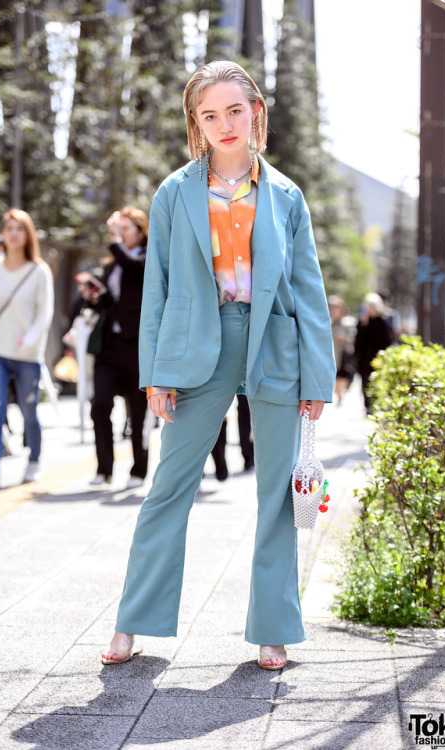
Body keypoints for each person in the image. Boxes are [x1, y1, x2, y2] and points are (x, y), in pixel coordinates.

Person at [102, 61, 336, 670]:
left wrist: (318, 376)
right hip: (193, 350)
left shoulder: (285, 194)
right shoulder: (173, 192)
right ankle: (133, 620)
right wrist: (155, 372)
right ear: (197, 125)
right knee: (168, 488)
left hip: (274, 345)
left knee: (278, 497)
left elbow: (307, 289)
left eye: (235, 110)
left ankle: (273, 628)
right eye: (210, 115)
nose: (225, 124)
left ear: (256, 111)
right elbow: (156, 286)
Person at [0, 209, 54, 488]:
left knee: (29, 411)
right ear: (2, 233)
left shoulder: (39, 271)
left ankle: (34, 460)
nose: (13, 234)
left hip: (27, 355)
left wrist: (31, 341)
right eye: (9, 228)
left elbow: (44, 313)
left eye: (19, 228)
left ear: (28, 234)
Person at [89, 207, 149, 489]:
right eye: (118, 228)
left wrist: (113, 238)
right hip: (109, 347)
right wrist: (94, 297)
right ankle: (104, 468)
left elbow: (131, 265)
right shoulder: (112, 264)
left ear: (140, 230)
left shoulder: (147, 256)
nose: (121, 234)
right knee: (100, 404)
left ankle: (139, 470)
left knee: (138, 411)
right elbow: (110, 301)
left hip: (136, 346)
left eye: (126, 228)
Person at [354, 292, 393, 414]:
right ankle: (368, 407)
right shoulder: (362, 322)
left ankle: (377, 405)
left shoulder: (382, 322)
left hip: (378, 359)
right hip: (364, 360)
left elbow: (387, 341)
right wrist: (364, 324)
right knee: (365, 383)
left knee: (377, 383)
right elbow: (358, 342)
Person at [328, 295, 356, 405]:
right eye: (332, 307)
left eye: (337, 307)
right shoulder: (328, 323)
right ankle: (338, 394)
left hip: (344, 355)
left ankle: (340, 395)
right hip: (332, 355)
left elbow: (353, 338)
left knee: (342, 376)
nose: (334, 310)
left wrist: (345, 339)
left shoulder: (348, 322)